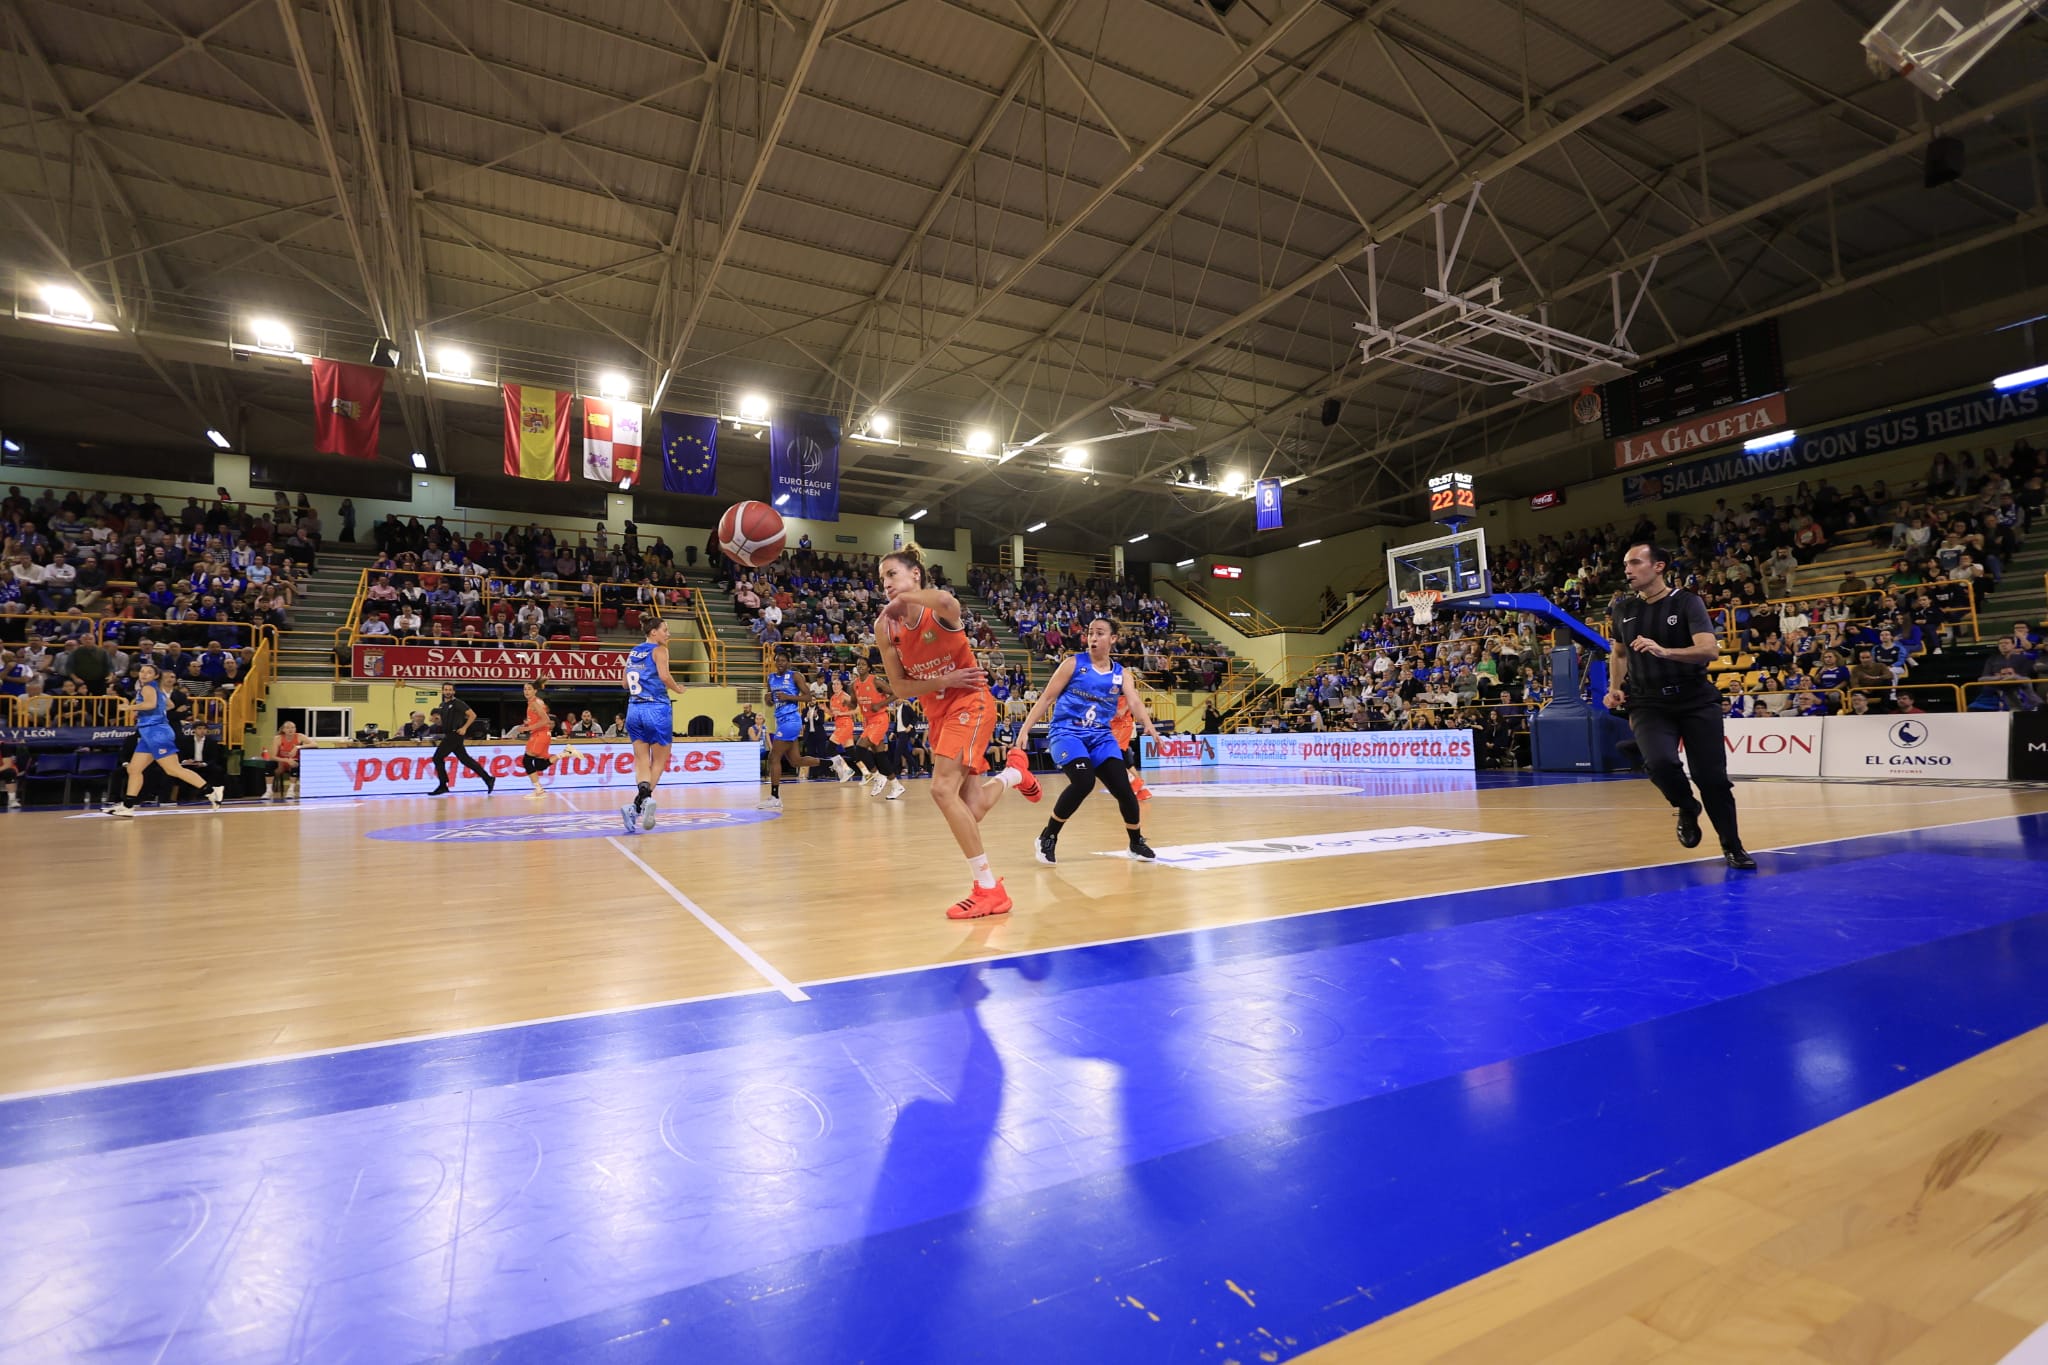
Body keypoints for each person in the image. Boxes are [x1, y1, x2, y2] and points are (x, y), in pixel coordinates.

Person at [875, 543, 1041, 919]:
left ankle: (988, 889)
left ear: (914, 574)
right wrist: (944, 678)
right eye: (882, 579)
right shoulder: (885, 626)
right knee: (972, 808)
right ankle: (1015, 773)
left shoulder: (941, 609)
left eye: (892, 574)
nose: (886, 584)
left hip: (972, 704)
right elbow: (900, 688)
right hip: (938, 714)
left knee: (940, 789)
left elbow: (947, 599)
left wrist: (908, 597)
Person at [1604, 543, 1756, 870]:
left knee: (1712, 779)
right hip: (1647, 701)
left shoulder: (1688, 602)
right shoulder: (1622, 609)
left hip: (1695, 699)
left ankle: (1733, 846)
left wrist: (1665, 651)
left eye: (1634, 562)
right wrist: (1615, 687)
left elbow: (1709, 650)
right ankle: (1687, 806)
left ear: (1658, 566)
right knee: (1659, 763)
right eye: (1625, 563)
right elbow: (1618, 653)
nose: (1627, 570)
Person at [1013, 618, 1163, 865]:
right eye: (1090, 633)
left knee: (1125, 789)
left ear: (1113, 639)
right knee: (1084, 782)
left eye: (1100, 633)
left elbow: (1135, 701)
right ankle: (1047, 837)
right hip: (1067, 733)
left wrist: (1148, 724)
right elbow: (1046, 698)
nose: (1093, 637)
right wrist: (1025, 729)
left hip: (1101, 737)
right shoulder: (1073, 664)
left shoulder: (1121, 674)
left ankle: (1136, 842)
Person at [107, 662, 224, 816]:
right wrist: (153, 710)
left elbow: (151, 704)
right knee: (134, 769)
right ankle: (128, 806)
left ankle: (211, 790)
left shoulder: (148, 688)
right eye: (142, 671)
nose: (144, 674)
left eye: (149, 672)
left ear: (155, 676)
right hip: (149, 733)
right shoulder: (156, 688)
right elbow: (169, 705)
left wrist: (130, 708)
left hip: (157, 733)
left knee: (172, 769)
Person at [620, 617, 689, 832]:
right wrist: (678, 689)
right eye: (665, 630)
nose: (668, 634)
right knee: (658, 761)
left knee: (641, 759)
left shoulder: (633, 652)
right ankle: (646, 800)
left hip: (633, 709)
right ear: (653, 633)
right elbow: (664, 675)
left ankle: (635, 806)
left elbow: (624, 684)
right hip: (655, 709)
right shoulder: (660, 650)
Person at [762, 647, 848, 808]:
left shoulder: (795, 676)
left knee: (774, 757)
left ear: (788, 662)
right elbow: (770, 701)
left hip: (792, 720)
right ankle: (833, 762)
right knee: (795, 761)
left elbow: (809, 696)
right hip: (781, 720)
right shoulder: (771, 678)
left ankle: (775, 797)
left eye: (783, 660)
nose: (780, 663)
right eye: (777, 660)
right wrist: (768, 699)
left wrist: (789, 697)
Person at [426, 681, 495, 796]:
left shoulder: (458, 703)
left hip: (455, 735)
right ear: (443, 691)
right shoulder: (442, 705)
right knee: (466, 760)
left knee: (437, 758)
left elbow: (473, 715)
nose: (448, 692)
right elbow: (445, 722)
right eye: (446, 690)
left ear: (453, 691)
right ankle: (488, 778)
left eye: (450, 690)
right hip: (449, 734)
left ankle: (443, 784)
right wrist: (436, 721)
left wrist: (464, 728)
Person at [852, 659, 903, 799]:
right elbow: (853, 703)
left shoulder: (876, 681)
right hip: (868, 721)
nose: (860, 667)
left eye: (863, 664)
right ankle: (896, 786)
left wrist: (880, 704)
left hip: (879, 719)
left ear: (869, 667)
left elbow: (896, 693)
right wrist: (847, 703)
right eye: (858, 665)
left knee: (860, 748)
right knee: (880, 756)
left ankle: (877, 776)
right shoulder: (855, 684)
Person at [514, 681, 556, 796]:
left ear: (535, 691)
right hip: (542, 734)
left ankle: (539, 790)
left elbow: (546, 720)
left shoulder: (534, 703)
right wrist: (529, 724)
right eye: (525, 689)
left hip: (540, 735)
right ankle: (564, 753)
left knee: (526, 761)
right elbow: (539, 718)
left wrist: (528, 728)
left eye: (529, 689)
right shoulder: (536, 702)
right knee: (539, 765)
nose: (526, 691)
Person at [264, 720, 305, 800]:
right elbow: (273, 756)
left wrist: (297, 747)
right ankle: (269, 791)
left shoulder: (299, 736)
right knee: (269, 764)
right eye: (288, 728)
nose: (290, 729)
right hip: (281, 763)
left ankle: (291, 790)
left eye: (293, 727)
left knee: (295, 764)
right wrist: (286, 760)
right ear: (283, 729)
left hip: (293, 762)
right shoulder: (278, 738)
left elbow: (314, 744)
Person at [827, 678, 859, 781]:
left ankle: (846, 769)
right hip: (839, 724)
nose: (835, 686)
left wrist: (842, 713)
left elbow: (857, 709)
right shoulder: (832, 698)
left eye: (837, 684)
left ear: (841, 686)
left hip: (845, 724)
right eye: (833, 684)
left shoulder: (845, 696)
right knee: (851, 751)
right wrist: (826, 710)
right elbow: (834, 714)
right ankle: (868, 772)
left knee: (830, 748)